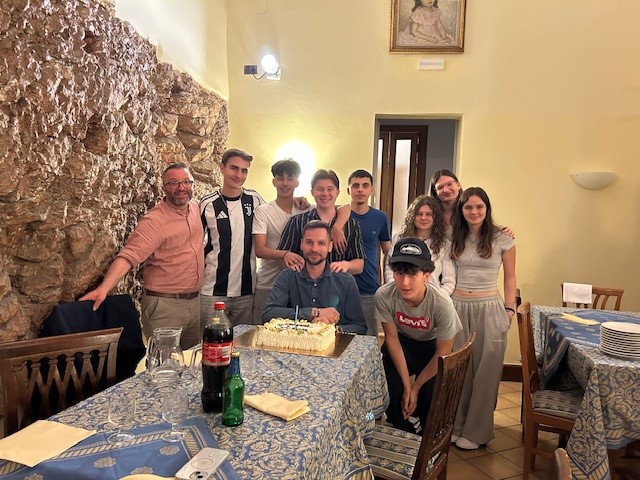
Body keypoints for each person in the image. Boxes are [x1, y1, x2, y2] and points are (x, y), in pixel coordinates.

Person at [79, 163, 204, 349]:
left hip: (195, 303)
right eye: (173, 183)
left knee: (192, 360)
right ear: (164, 188)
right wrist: (103, 289)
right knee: (163, 362)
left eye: (186, 182)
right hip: (165, 306)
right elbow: (129, 256)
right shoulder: (154, 221)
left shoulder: (195, 208)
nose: (181, 188)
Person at [450, 187, 516, 450]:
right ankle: (456, 425)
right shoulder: (453, 235)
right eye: (468, 207)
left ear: (487, 209)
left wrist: (509, 309)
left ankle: (477, 432)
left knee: (487, 370)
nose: (474, 212)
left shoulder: (503, 238)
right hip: (457, 306)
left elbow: (510, 277)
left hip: (490, 307)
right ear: (461, 210)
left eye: (479, 207)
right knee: (459, 369)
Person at [375, 237, 461, 434]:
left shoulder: (442, 304)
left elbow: (443, 351)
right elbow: (392, 339)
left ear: (426, 275)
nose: (405, 283)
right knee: (392, 392)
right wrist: (407, 386)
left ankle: (425, 437)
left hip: (432, 350)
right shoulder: (384, 295)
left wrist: (415, 388)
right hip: (402, 345)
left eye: (413, 274)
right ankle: (401, 429)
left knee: (428, 398)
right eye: (399, 273)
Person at [263, 220, 367, 334]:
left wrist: (331, 330)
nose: (314, 249)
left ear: (330, 246)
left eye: (321, 243)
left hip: (334, 342)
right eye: (309, 242)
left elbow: (360, 327)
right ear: (301, 244)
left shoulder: (346, 281)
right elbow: (268, 314)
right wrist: (313, 313)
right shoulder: (288, 276)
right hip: (295, 342)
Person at [200, 148, 265, 327]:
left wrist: (296, 200)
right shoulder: (208, 204)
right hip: (212, 292)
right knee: (211, 342)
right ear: (222, 168)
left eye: (244, 170)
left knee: (242, 342)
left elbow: (274, 217)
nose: (239, 175)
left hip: (246, 293)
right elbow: (195, 244)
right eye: (234, 168)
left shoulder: (255, 200)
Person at [252, 159, 309, 325]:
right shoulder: (263, 211)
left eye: (290, 178)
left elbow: (340, 207)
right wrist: (285, 254)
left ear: (297, 182)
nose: (285, 183)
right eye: (280, 178)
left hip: (299, 285)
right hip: (268, 283)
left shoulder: (307, 209)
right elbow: (259, 249)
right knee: (261, 331)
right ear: (274, 181)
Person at [278, 169, 364, 275]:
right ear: (312, 192)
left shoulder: (351, 224)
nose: (325, 193)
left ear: (337, 192)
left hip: (338, 283)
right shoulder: (297, 222)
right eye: (320, 189)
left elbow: (359, 265)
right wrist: (295, 264)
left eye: (330, 189)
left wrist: (346, 265)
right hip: (303, 283)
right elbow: (281, 260)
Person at [345, 169, 391, 335]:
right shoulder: (339, 215)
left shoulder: (380, 218)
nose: (360, 190)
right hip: (341, 287)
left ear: (372, 190)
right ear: (348, 190)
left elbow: (388, 252)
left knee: (369, 338)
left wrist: (387, 283)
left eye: (365, 185)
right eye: (355, 185)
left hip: (369, 288)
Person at [384, 195, 455, 295]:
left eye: (428, 214)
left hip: (431, 298)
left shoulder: (444, 244)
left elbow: (449, 282)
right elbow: (390, 269)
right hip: (401, 296)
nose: (423, 218)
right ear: (412, 216)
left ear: (436, 217)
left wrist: (436, 298)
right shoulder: (399, 239)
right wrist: (398, 292)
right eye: (419, 214)